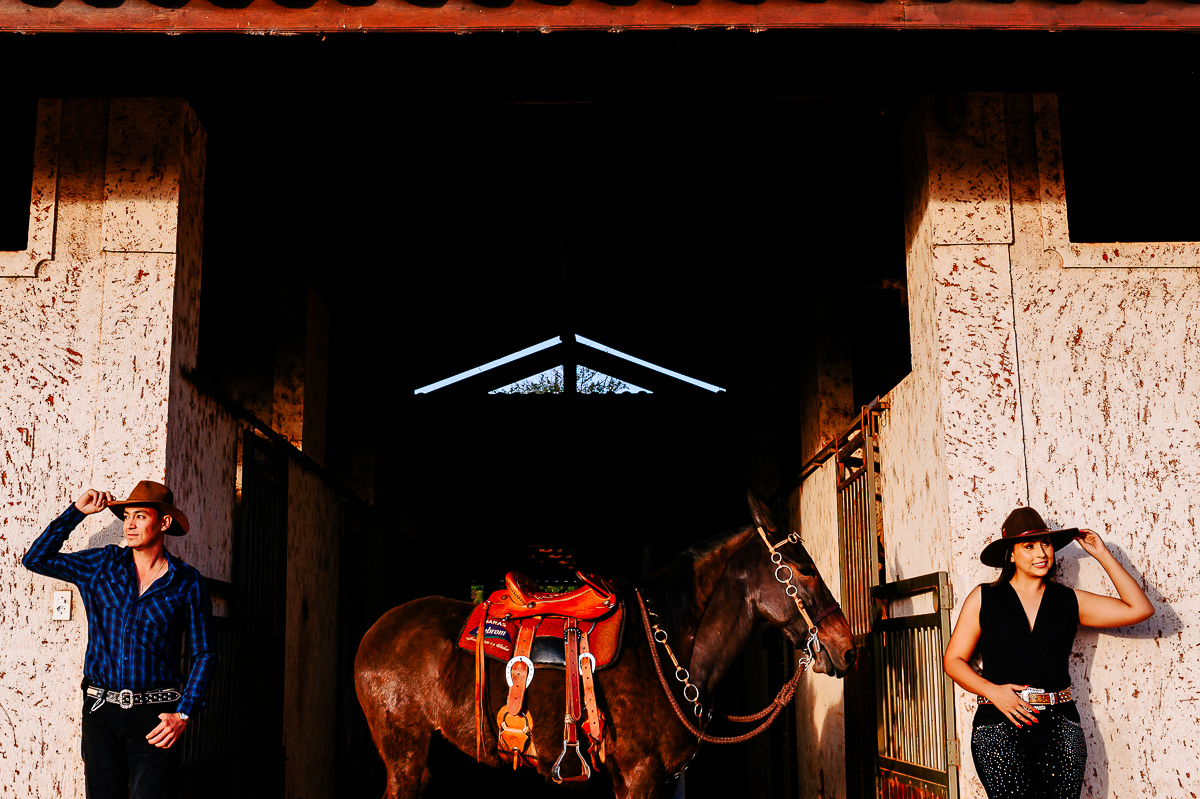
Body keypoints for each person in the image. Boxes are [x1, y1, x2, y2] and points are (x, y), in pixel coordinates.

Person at [943, 507, 1154, 799]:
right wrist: (993, 692)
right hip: (999, 724)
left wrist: (1103, 554)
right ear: (1011, 555)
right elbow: (953, 661)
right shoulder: (984, 598)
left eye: (1045, 544)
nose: (1041, 553)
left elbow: (1140, 609)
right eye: (1029, 546)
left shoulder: (1069, 601)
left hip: (1059, 725)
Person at [22, 480, 214, 799]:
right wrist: (75, 512)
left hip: (156, 717)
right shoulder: (102, 565)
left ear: (163, 522)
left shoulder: (186, 581)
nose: (130, 524)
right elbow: (36, 559)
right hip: (101, 712)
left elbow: (204, 653)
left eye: (140, 515)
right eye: (126, 516)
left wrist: (184, 713)